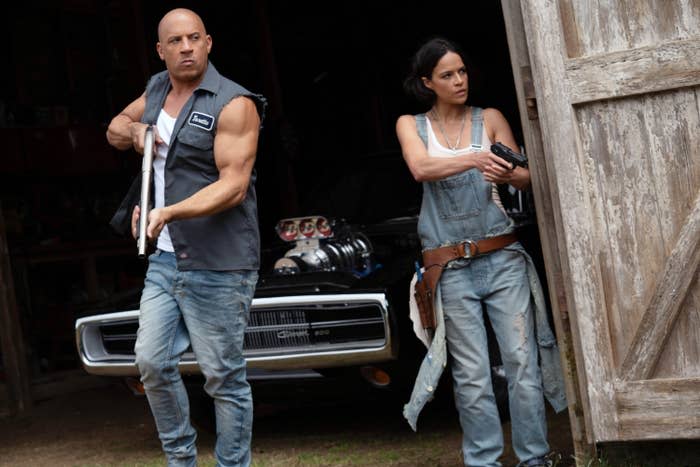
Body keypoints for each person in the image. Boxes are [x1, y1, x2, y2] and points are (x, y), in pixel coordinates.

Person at [106, 8, 265, 466]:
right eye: (175, 41)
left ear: (209, 42)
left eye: (194, 38)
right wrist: (137, 130)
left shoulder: (234, 103)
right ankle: (181, 461)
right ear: (161, 51)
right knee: (151, 363)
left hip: (221, 261)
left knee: (223, 377)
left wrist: (167, 211)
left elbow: (233, 185)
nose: (186, 47)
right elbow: (115, 127)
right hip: (166, 260)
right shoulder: (156, 89)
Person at [397, 37, 567, 467]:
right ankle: (483, 461)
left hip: (502, 257)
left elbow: (527, 177)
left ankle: (535, 458)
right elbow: (421, 168)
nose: (459, 80)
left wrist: (511, 172)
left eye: (462, 71)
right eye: (447, 75)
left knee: (522, 364)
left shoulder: (489, 117)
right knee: (471, 376)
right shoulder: (410, 124)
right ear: (427, 82)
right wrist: (476, 158)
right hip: (450, 266)